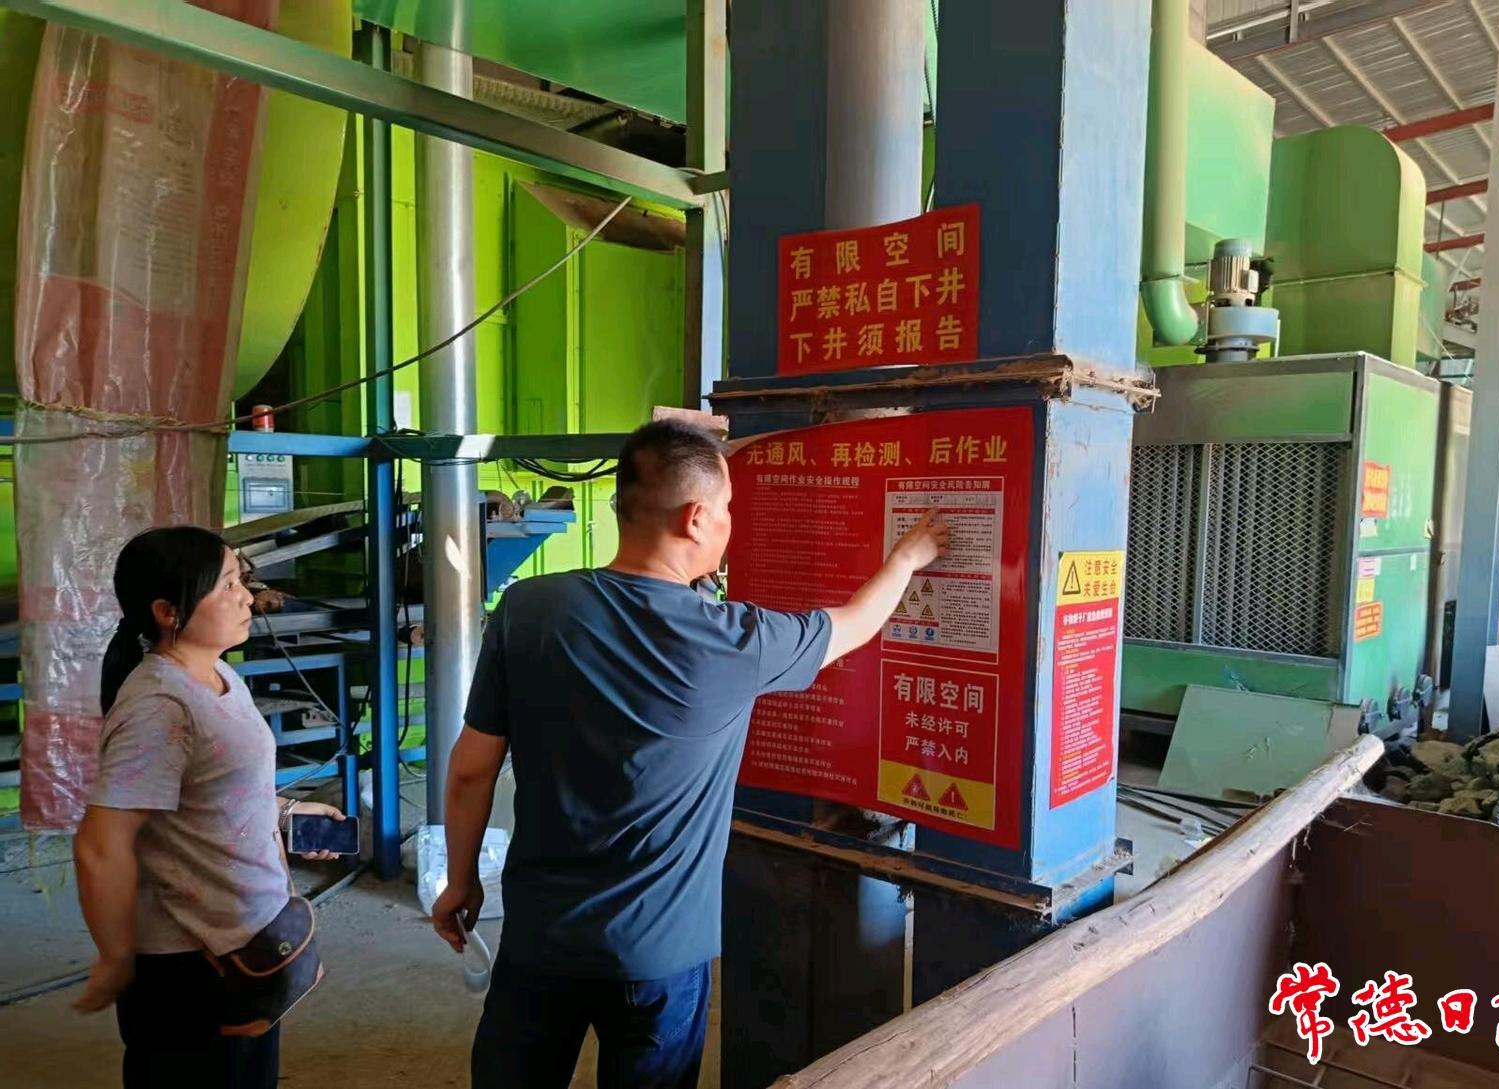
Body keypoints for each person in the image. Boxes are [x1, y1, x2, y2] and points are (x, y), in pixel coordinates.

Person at [430, 420, 948, 1089]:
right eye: (728, 507)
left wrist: (462, 880)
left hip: (540, 939)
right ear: (696, 518)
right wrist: (906, 558)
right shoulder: (735, 641)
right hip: (662, 955)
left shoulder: (528, 609)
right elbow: (851, 625)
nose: (732, 521)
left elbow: (471, 769)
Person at [72, 526, 346, 1089]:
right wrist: (116, 956)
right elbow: (101, 844)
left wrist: (286, 813)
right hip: (188, 964)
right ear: (168, 612)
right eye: (227, 586)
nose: (247, 597)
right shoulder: (159, 706)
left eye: (241, 581)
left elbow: (217, 789)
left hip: (247, 943)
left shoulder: (219, 673)